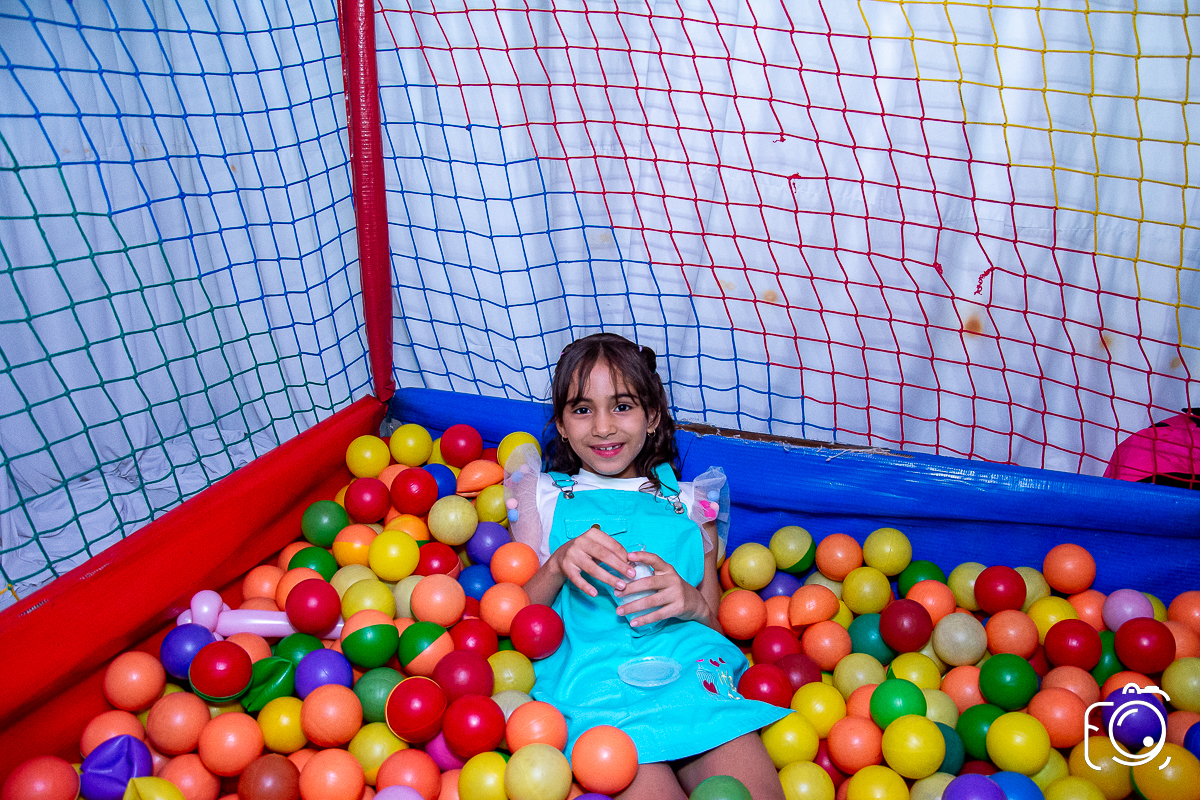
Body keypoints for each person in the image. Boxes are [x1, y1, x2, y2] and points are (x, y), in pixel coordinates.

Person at [504, 332, 788, 799]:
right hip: (594, 695)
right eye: (581, 409)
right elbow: (516, 622)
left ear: (652, 415)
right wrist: (558, 562)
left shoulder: (695, 504)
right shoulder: (540, 496)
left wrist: (693, 602)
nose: (602, 427)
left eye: (622, 406)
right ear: (560, 423)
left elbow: (715, 624)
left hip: (693, 684)